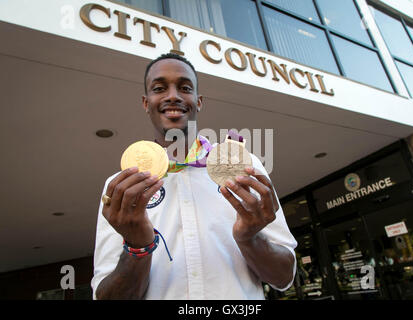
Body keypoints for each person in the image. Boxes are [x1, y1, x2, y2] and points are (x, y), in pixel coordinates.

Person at [91, 53, 297, 300]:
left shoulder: (245, 167)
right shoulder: (123, 188)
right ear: (146, 103)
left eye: (185, 87)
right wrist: (137, 247)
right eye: (159, 88)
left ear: (198, 102)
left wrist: (251, 238)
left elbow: (284, 278)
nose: (173, 96)